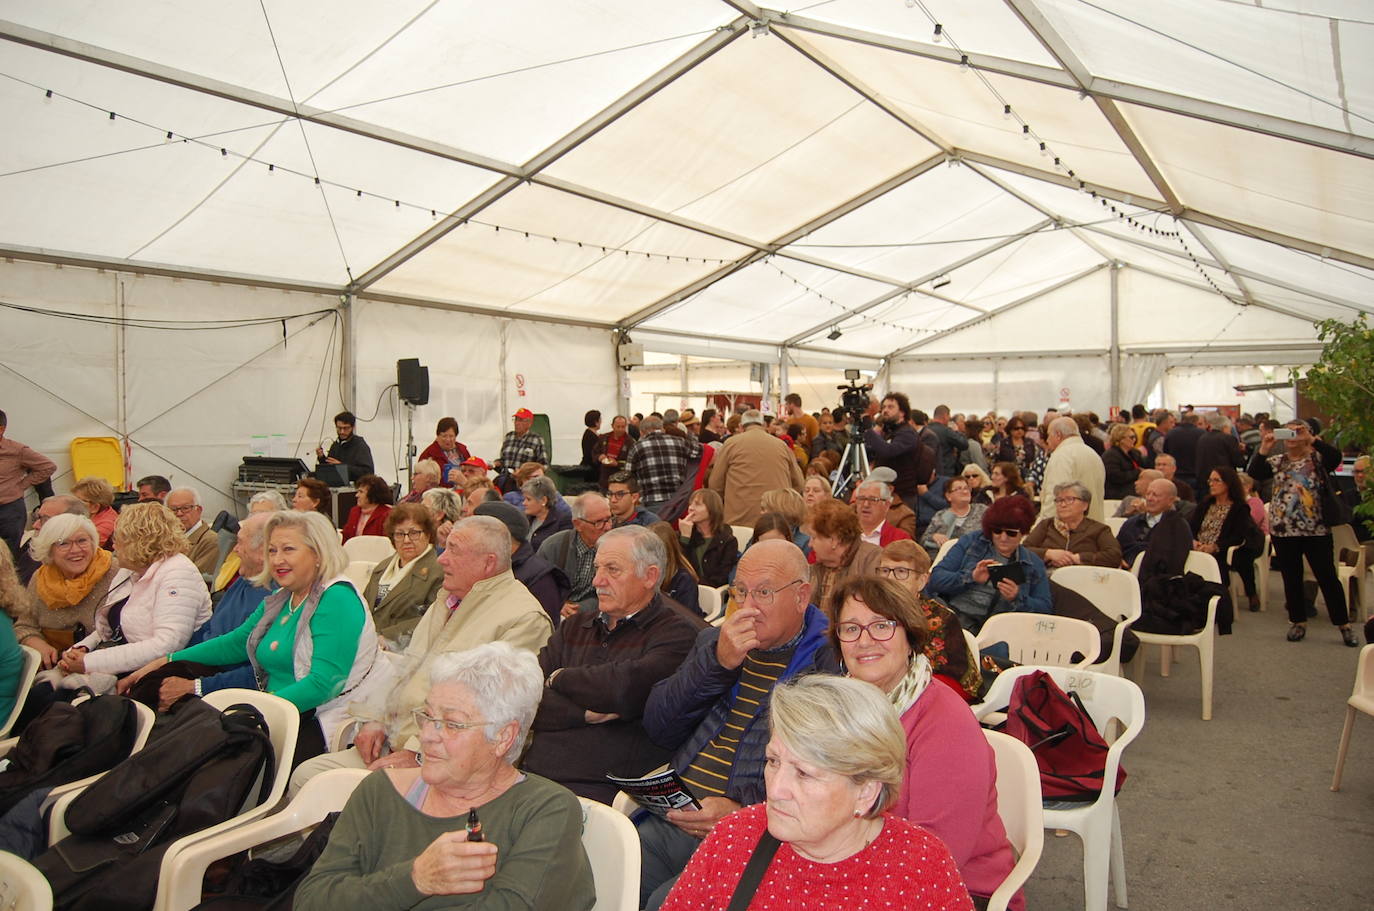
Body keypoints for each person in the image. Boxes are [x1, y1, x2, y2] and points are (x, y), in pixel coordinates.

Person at [294, 643, 595, 911]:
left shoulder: (546, 811)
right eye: (427, 716)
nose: (427, 736)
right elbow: (311, 901)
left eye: (452, 724)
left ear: (503, 737)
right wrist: (415, 878)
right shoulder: (380, 791)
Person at [658, 674, 973, 911]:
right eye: (773, 761)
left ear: (865, 792)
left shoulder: (920, 867)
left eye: (804, 773)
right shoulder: (734, 838)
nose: (776, 789)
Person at [638, 541, 838, 906]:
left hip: (758, 835)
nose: (748, 607)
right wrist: (717, 663)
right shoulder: (716, 641)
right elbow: (659, 726)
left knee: (665, 902)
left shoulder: (827, 661)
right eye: (740, 592)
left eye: (763, 592)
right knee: (600, 870)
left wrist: (742, 813)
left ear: (802, 596)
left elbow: (820, 773)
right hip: (676, 816)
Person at [289, 516, 553, 791]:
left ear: (487, 563)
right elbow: (406, 670)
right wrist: (376, 718)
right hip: (397, 740)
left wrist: (417, 753)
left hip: (450, 763)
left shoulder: (523, 618)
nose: (441, 559)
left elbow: (490, 716)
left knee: (326, 787)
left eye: (454, 550)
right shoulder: (448, 599)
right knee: (309, 777)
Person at [124, 510, 379, 758]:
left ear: (318, 553)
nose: (277, 560)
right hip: (276, 707)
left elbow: (323, 685)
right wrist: (168, 660)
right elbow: (237, 641)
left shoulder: (336, 599)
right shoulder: (283, 597)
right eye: (272, 550)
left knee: (200, 747)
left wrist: (251, 711)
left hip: (320, 716)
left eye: (288, 549)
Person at [828, 577, 1016, 908]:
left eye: (882, 626)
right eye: (851, 628)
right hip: (852, 863)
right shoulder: (841, 706)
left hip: (954, 887)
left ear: (910, 635)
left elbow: (938, 853)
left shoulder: (945, 721)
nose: (865, 640)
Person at [522, 526, 705, 802]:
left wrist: (560, 679)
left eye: (612, 569)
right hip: (532, 777)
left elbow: (624, 690)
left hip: (604, 792)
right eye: (597, 568)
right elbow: (525, 699)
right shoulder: (574, 627)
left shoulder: (678, 634)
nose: (597, 580)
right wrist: (582, 713)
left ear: (650, 576)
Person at [60, 502, 212, 680]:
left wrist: (90, 662)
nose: (114, 547)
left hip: (160, 674)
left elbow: (166, 646)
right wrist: (84, 648)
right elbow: (111, 630)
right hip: (125, 664)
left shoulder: (178, 573)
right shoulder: (131, 569)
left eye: (118, 540)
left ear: (138, 541)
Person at [142, 512, 276, 709]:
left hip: (228, 689)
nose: (235, 550)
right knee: (147, 684)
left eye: (240, 543)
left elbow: (257, 670)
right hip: (208, 669)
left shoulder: (274, 596)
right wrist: (170, 660)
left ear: (261, 551)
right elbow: (212, 631)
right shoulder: (244, 582)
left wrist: (196, 686)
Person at [1247, 420, 1355, 645]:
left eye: (1298, 431)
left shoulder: (1317, 459)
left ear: (1308, 434)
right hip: (1283, 529)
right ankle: (1298, 621)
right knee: (1291, 577)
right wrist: (1265, 447)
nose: (1292, 436)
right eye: (1289, 431)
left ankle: (1343, 624)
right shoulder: (1278, 461)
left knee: (1327, 576)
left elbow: (1335, 457)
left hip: (1316, 528)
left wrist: (1313, 440)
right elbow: (1255, 472)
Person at [927, 495, 1051, 633]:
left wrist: (1017, 597)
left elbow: (1045, 609)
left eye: (1011, 533)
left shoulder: (1032, 563)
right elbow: (935, 579)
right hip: (953, 616)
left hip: (997, 629)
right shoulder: (971, 542)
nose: (1003, 538)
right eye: (997, 531)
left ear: (1023, 533)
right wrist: (970, 577)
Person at [877, 540, 981, 701]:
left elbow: (955, 683)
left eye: (901, 571)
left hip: (930, 695)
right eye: (884, 570)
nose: (890, 578)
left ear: (922, 580)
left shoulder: (941, 619)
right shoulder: (869, 612)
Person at [19, 512, 119, 668]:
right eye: (63, 543)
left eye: (82, 541)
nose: (75, 550)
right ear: (49, 549)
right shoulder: (40, 578)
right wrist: (36, 642)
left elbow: (127, 633)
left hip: (103, 665)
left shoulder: (115, 572)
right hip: (52, 666)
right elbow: (24, 626)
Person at [474, 501, 569, 627]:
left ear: (500, 535)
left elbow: (540, 632)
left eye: (474, 532)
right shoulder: (487, 566)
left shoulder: (540, 579)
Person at [707, 409, 804, 528]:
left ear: (741, 427)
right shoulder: (781, 446)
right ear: (764, 426)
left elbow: (715, 484)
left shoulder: (731, 444)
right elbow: (799, 483)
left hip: (738, 521)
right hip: (776, 522)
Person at [363, 503, 444, 645]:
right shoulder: (382, 567)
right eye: (400, 534)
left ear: (428, 534)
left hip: (404, 649)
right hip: (368, 643)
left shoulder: (439, 571)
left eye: (414, 533)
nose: (406, 540)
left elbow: (433, 620)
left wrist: (386, 637)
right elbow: (363, 607)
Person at [1191, 466, 1264, 613]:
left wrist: (1215, 547)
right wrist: (1193, 541)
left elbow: (1238, 536)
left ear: (1228, 483)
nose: (1211, 484)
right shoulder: (1205, 504)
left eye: (1216, 480)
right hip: (1198, 547)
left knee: (1237, 559)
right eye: (1210, 480)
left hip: (1223, 549)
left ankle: (1242, 596)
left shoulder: (1239, 507)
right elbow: (1191, 526)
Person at [539, 493, 614, 621]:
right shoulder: (554, 546)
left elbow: (617, 592)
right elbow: (539, 585)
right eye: (599, 522)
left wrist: (582, 608)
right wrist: (557, 604)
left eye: (609, 519)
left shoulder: (617, 548)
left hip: (599, 614)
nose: (608, 527)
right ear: (578, 524)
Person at [805, 498, 880, 617]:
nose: (809, 544)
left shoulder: (872, 560)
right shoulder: (814, 569)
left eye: (814, 537)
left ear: (835, 540)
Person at [1024, 482, 1122, 569]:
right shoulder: (1046, 525)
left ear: (1085, 505)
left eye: (1069, 499)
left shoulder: (1099, 529)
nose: (1062, 505)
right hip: (1047, 578)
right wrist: (1049, 554)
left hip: (1084, 581)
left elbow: (1114, 556)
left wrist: (1078, 558)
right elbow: (1024, 550)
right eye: (1059, 500)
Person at [864, 393, 935, 511]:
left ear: (902, 412)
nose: (885, 410)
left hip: (903, 496)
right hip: (888, 492)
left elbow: (888, 451)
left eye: (890, 407)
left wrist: (868, 429)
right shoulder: (890, 432)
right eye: (884, 407)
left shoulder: (907, 433)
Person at [0, 411, 56, 562]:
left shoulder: (17, 450)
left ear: (1, 429)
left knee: (9, 556)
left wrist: (21, 486)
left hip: (8, 511)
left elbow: (47, 466)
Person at [626, 416, 702, 516]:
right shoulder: (681, 442)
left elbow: (628, 475)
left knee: (654, 530)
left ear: (641, 432)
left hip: (651, 501)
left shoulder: (637, 447)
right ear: (662, 429)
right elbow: (704, 452)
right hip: (678, 500)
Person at [1116, 478, 1192, 574]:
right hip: (1124, 574)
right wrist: (1118, 559)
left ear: (1170, 500)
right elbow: (1116, 547)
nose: (1150, 498)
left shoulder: (1178, 527)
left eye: (1155, 495)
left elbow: (1174, 560)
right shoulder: (1131, 523)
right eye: (1148, 494)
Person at [1038, 416, 1106, 521]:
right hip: (1094, 526)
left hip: (1070, 530)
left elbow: (1055, 496)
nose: (1047, 440)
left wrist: (1044, 527)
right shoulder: (1093, 454)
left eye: (1048, 435)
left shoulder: (1061, 456)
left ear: (1058, 435)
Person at [15, 495, 88, 585]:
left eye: (45, 520)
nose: (35, 525)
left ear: (70, 524)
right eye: (38, 518)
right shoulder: (33, 547)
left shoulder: (81, 566)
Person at [680, 488, 738, 589]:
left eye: (697, 504)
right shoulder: (685, 534)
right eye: (691, 504)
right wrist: (685, 539)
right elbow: (679, 569)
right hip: (686, 589)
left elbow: (721, 578)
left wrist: (699, 584)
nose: (690, 508)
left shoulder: (728, 541)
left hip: (713, 592)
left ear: (712, 509)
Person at [920, 475, 987, 558]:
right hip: (942, 559)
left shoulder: (982, 510)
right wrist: (934, 536)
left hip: (973, 557)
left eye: (966, 488)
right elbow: (923, 539)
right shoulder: (941, 515)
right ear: (948, 496)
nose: (965, 492)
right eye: (959, 489)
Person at [161, 485, 219, 579]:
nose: (179, 513)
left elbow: (192, 577)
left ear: (199, 510)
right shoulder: (165, 539)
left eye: (185, 508)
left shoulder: (211, 541)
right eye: (174, 509)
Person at [648, 521, 701, 616]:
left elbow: (688, 617)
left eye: (650, 550)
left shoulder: (684, 579)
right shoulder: (644, 573)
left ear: (665, 550)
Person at [1194, 412, 1244, 499]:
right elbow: (1239, 462)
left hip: (1203, 479)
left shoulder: (1202, 438)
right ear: (1225, 428)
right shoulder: (1229, 439)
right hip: (1223, 480)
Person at [316, 411, 374, 483]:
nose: (342, 432)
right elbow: (330, 469)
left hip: (355, 489)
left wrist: (342, 467)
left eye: (346, 428)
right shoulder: (336, 445)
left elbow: (368, 472)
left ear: (353, 427)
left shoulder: (360, 445)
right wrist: (322, 458)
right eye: (339, 428)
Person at [853, 479, 912, 548]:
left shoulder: (900, 539)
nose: (866, 504)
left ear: (887, 505)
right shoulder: (844, 533)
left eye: (873, 500)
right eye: (861, 498)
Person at [520, 476, 571, 552]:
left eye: (528, 499)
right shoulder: (525, 518)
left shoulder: (563, 520)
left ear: (543, 500)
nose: (524, 503)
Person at [994, 416, 1043, 495]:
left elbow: (1035, 459)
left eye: (1022, 428)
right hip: (1008, 478)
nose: (1020, 430)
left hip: (1027, 477)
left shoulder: (1030, 443)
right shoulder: (1002, 444)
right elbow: (995, 460)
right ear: (1010, 429)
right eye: (1016, 428)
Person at [417, 417, 471, 487]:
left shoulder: (463, 450)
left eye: (451, 436)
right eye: (444, 436)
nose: (448, 439)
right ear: (437, 436)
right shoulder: (429, 454)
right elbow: (421, 480)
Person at [341, 474, 394, 541]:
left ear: (373, 494)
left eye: (361, 492)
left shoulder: (387, 514)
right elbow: (346, 536)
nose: (357, 495)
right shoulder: (354, 511)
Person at [1163, 412, 1204, 492]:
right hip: (1195, 474)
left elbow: (1166, 453)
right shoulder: (1201, 434)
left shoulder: (1171, 433)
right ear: (1195, 422)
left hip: (1176, 474)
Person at [1101, 424, 1143, 500]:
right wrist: (1137, 472)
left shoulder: (1135, 453)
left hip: (1133, 492)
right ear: (1120, 439)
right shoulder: (1110, 456)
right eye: (1131, 437)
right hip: (1117, 495)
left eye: (1135, 437)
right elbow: (1115, 477)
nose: (1134, 440)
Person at [593, 415, 634, 490]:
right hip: (604, 478)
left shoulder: (630, 442)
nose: (620, 429)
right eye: (618, 426)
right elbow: (594, 453)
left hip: (621, 479)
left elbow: (633, 462)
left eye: (623, 427)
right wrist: (599, 457)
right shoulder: (604, 437)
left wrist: (617, 464)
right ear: (612, 426)